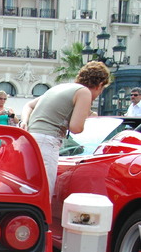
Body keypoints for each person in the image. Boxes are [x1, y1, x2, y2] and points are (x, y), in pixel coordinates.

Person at [20, 61, 110, 198]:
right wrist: (85, 116)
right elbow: (76, 128)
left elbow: (29, 105)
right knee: (43, 193)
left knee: (29, 189)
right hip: (47, 141)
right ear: (100, 85)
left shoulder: (61, 88)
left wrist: (24, 121)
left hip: (31, 139)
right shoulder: (84, 92)